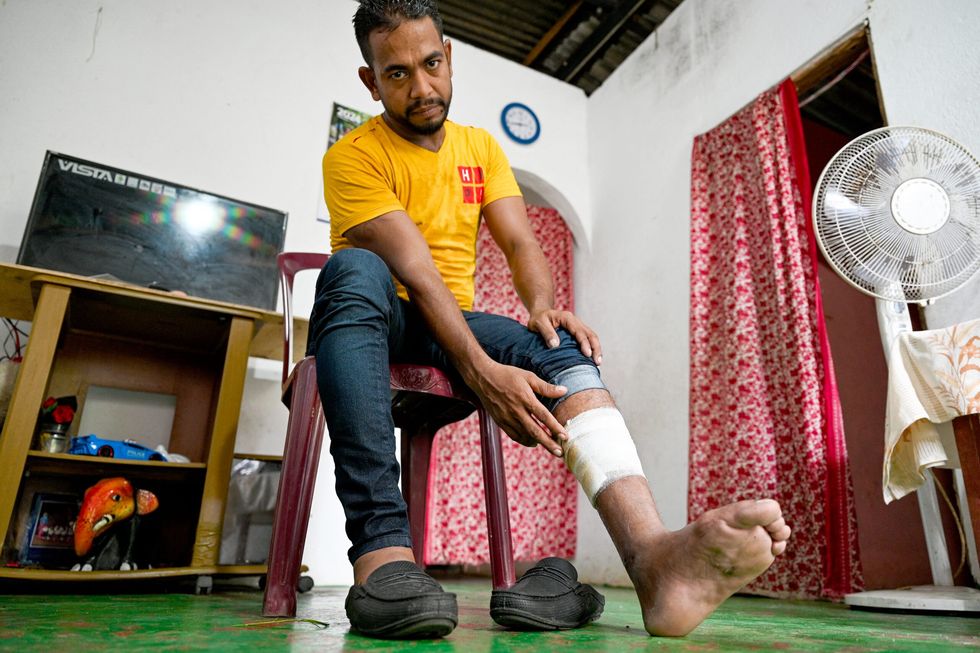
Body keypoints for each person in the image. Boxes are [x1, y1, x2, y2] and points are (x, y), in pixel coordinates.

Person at [310, 0, 791, 640]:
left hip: (449, 326)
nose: (422, 86)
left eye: (431, 64)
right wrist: (481, 371)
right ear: (371, 83)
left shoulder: (480, 147)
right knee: (354, 271)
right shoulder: (352, 155)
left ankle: (654, 562)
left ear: (449, 58)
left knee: (558, 340)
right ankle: (383, 556)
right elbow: (418, 272)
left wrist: (540, 305)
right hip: (380, 319)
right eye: (397, 74)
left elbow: (520, 244)